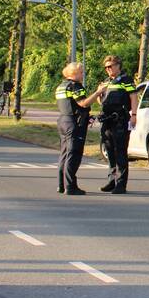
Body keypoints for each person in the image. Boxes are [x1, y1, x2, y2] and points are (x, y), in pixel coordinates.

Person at [55, 62, 105, 195]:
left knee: (65, 153)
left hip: (63, 121)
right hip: (74, 123)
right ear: (74, 73)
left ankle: (61, 185)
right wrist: (98, 93)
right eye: (81, 72)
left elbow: (68, 105)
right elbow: (83, 103)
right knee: (74, 154)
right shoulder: (75, 86)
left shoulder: (61, 86)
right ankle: (70, 186)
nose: (83, 75)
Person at [97, 55, 138, 194]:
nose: (108, 69)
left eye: (111, 66)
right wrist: (99, 93)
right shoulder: (106, 81)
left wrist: (134, 115)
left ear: (118, 65)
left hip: (120, 119)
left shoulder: (126, 80)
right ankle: (111, 180)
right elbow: (101, 101)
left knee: (120, 151)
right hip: (107, 120)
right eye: (106, 67)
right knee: (109, 151)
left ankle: (121, 183)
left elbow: (133, 97)